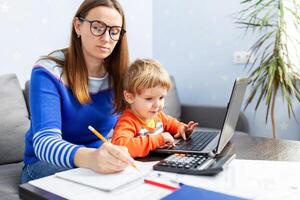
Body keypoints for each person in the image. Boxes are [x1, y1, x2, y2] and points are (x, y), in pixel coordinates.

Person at [21, 0, 134, 183]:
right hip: (43, 163)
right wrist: (92, 158)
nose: (106, 38)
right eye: (98, 27)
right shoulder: (48, 71)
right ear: (78, 26)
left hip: (97, 162)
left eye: (114, 32)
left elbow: (131, 126)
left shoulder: (120, 74)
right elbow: (44, 144)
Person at [111, 59, 198, 158]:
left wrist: (182, 129)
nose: (157, 105)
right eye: (149, 99)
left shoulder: (158, 115)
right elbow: (120, 147)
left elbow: (173, 124)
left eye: (161, 98)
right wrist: (158, 140)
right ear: (130, 97)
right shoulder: (128, 121)